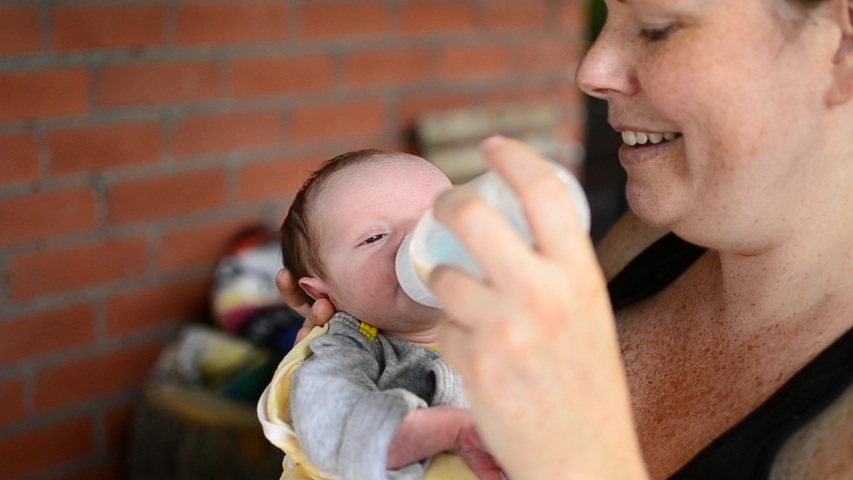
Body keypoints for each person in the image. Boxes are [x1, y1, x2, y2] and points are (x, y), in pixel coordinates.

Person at [277, 0, 853, 478]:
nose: (590, 69)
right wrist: (367, 330)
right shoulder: (643, 245)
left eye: (657, 26)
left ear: (841, 44)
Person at [262, 149, 502, 480]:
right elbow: (331, 421)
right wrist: (444, 431)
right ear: (323, 292)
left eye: (438, 219)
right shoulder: (346, 351)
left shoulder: (501, 324)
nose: (419, 239)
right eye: (374, 237)